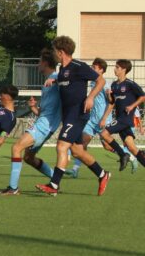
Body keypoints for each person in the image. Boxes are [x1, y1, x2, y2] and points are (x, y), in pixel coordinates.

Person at [36, 36, 110, 197]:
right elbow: (68, 83)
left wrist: (90, 97)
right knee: (77, 151)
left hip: (78, 114)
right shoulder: (62, 70)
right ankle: (103, 174)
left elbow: (101, 81)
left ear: (61, 52)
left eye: (55, 51)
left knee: (61, 146)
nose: (54, 54)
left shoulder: (79, 66)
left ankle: (54, 184)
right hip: (68, 114)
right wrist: (53, 82)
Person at [0, 49, 60, 196]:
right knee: (28, 158)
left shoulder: (56, 78)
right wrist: (34, 108)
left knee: (16, 147)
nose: (38, 64)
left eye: (39, 61)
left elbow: (70, 80)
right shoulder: (47, 82)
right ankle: (55, 181)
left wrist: (57, 80)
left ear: (45, 63)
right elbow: (47, 111)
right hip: (43, 122)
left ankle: (13, 188)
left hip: (45, 125)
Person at [98, 60, 145, 170]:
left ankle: (123, 154)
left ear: (124, 70)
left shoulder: (130, 84)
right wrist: (109, 96)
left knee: (103, 134)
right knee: (131, 146)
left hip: (125, 119)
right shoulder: (114, 85)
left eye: (117, 67)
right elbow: (112, 102)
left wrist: (132, 106)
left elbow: (142, 96)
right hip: (120, 119)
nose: (115, 69)